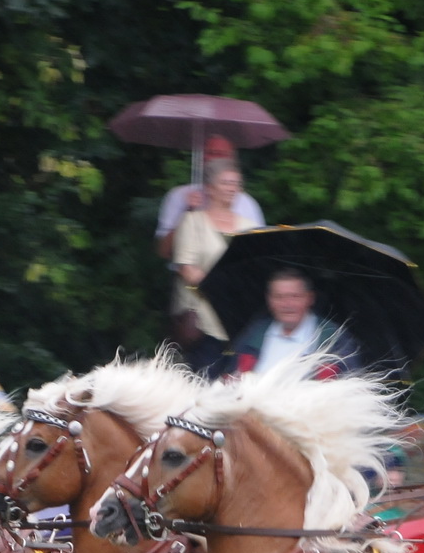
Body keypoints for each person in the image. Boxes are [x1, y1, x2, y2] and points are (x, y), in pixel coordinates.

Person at [171, 160, 261, 375]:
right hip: (203, 322)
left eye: (236, 183)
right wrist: (222, 285)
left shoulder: (249, 226)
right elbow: (187, 269)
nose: (232, 188)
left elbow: (255, 269)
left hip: (238, 320)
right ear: (209, 188)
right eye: (226, 182)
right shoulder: (192, 222)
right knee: (202, 382)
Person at [225, 267, 360, 379]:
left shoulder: (334, 338)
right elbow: (231, 376)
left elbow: (352, 385)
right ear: (269, 300)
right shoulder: (254, 333)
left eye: (295, 296)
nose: (287, 304)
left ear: (310, 298)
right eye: (279, 297)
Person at [153, 135, 265, 258]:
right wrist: (187, 212)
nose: (216, 158)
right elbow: (164, 252)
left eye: (221, 154)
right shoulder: (178, 196)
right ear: (202, 158)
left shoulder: (247, 203)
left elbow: (260, 252)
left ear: (232, 160)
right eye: (211, 153)